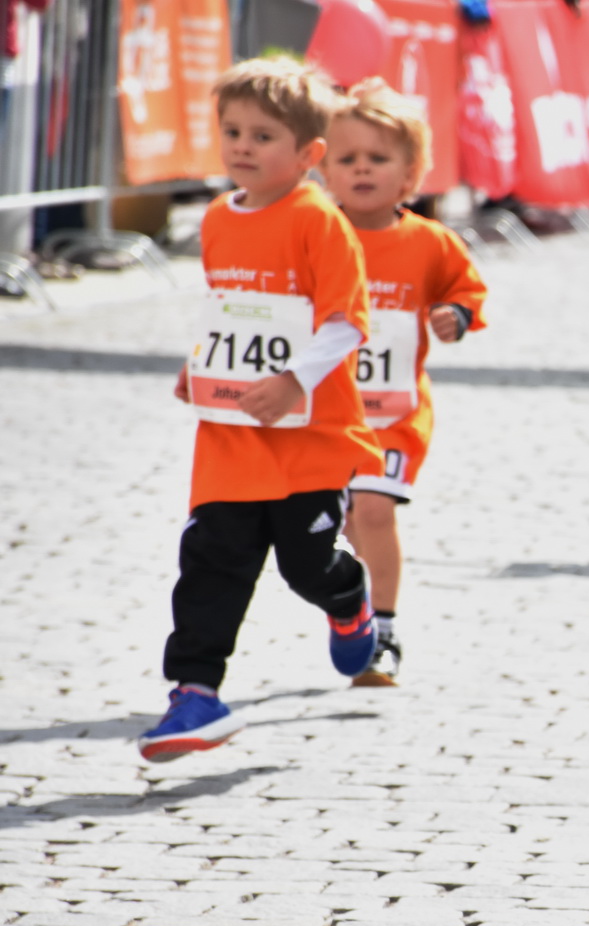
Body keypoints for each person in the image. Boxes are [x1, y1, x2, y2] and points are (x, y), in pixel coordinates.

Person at [138, 57, 380, 763]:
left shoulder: (319, 221)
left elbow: (346, 322)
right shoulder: (217, 217)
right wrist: (202, 362)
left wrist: (293, 380)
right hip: (233, 436)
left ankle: (348, 594)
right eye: (232, 130)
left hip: (308, 438)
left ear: (309, 156)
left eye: (263, 136)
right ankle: (194, 692)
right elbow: (231, 311)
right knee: (210, 560)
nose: (242, 145)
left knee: (306, 567)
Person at [319, 79, 488, 686]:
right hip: (321, 418)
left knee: (373, 510)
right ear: (324, 168)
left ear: (411, 172)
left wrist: (455, 316)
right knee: (325, 531)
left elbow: (466, 289)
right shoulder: (314, 233)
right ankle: (352, 611)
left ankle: (383, 632)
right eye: (348, 158)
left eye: (379, 158)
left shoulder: (429, 242)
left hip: (393, 416)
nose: (361, 169)